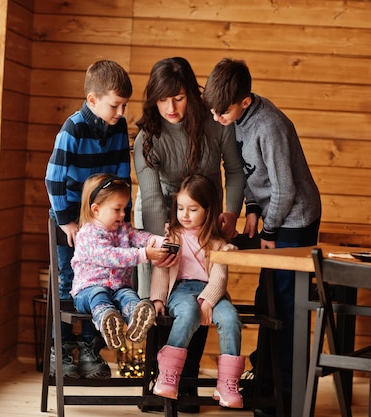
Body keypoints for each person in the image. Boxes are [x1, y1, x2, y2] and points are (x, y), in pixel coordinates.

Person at [203, 58, 322, 417]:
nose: (216, 118)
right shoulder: (237, 120)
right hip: (274, 215)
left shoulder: (269, 126)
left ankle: (285, 395)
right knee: (267, 299)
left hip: (295, 219)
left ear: (244, 101)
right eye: (213, 110)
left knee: (286, 305)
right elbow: (255, 178)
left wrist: (269, 231)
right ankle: (267, 379)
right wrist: (252, 209)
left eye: (222, 112)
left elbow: (285, 189)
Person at [133, 56, 246, 411]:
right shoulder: (148, 137)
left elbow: (237, 171)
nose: (170, 107)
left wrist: (230, 211)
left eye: (179, 97)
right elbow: (151, 197)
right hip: (161, 215)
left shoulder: (215, 124)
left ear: (191, 96)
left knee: (199, 294)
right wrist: (161, 246)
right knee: (162, 293)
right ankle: (156, 382)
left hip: (207, 214)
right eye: (163, 98)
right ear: (154, 98)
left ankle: (188, 384)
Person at [45, 59, 133, 379]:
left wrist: (122, 220)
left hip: (104, 219)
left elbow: (122, 176)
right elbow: (53, 179)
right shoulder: (73, 129)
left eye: (124, 105)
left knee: (101, 282)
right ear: (93, 100)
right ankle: (62, 350)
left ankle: (89, 350)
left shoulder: (119, 127)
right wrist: (67, 222)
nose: (121, 112)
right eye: (115, 105)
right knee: (69, 283)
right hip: (71, 217)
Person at [150, 174, 244, 409]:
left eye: (192, 209)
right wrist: (158, 298)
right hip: (181, 290)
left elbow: (219, 278)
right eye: (181, 208)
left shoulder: (218, 243)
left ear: (208, 210)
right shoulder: (173, 236)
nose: (184, 214)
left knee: (231, 318)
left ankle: (227, 384)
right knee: (189, 312)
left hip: (213, 292)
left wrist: (208, 301)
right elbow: (162, 268)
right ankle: (168, 374)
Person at [71, 174, 170, 351]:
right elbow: (110, 256)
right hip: (87, 290)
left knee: (129, 295)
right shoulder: (87, 234)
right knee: (98, 294)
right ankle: (107, 320)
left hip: (118, 289)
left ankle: (136, 320)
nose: (123, 214)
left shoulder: (123, 229)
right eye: (117, 209)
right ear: (96, 209)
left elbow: (140, 237)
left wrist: (160, 241)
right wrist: (144, 254)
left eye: (124, 209)